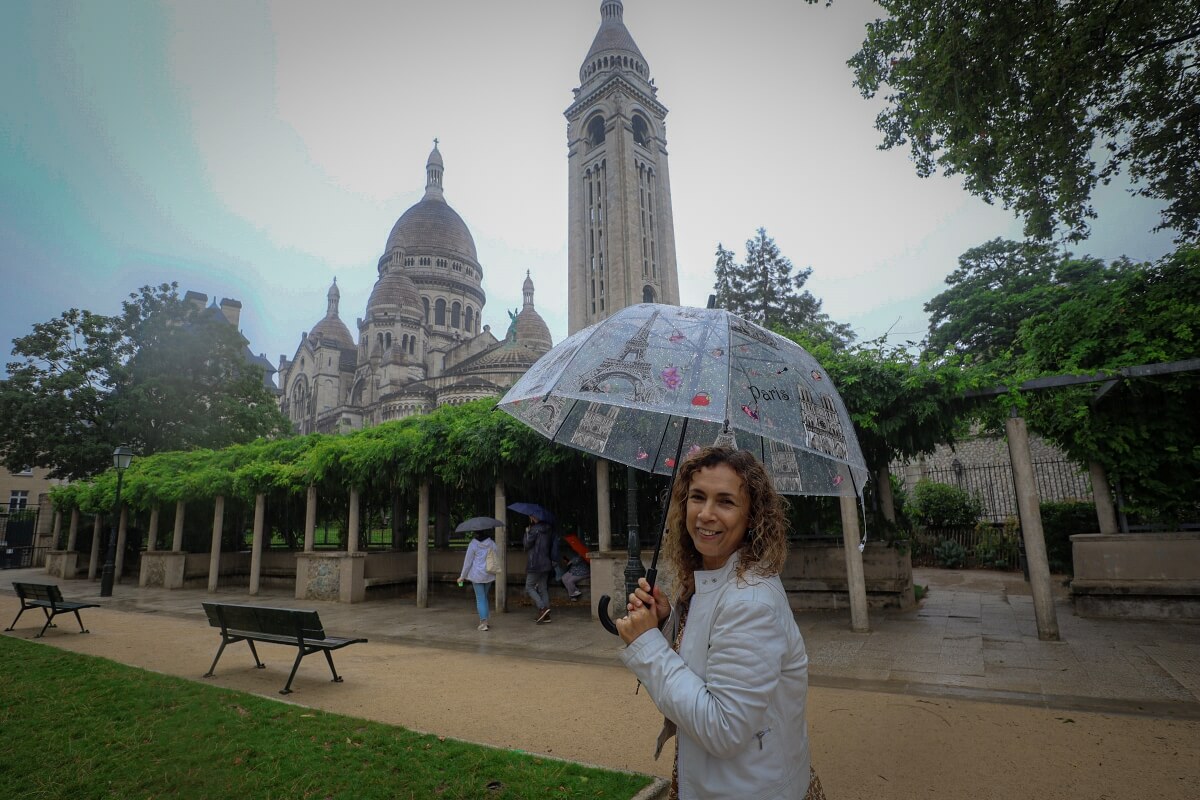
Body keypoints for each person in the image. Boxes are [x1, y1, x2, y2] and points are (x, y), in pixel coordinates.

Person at [615, 447, 824, 800]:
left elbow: (724, 728)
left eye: (725, 501)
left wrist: (647, 644)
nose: (706, 514)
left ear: (752, 516)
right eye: (698, 497)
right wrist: (666, 622)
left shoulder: (750, 602)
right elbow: (707, 660)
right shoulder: (714, 579)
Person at [457, 528, 498, 632]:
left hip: (477, 575)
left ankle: (483, 623)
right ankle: (486, 621)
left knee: (480, 598)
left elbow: (467, 562)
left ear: (475, 532)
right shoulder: (492, 543)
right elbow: (496, 555)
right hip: (489, 574)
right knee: (484, 597)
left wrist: (462, 576)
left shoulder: (473, 544)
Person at [523, 513, 555, 623]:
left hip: (535, 563)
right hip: (546, 562)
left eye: (531, 516)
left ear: (533, 517)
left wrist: (527, 533)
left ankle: (542, 608)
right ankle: (546, 616)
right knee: (543, 588)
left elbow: (526, 544)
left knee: (529, 586)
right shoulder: (548, 529)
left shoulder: (533, 530)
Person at [559, 531, 591, 600]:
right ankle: (575, 592)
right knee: (564, 578)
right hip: (574, 570)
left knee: (570, 581)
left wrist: (570, 561)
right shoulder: (575, 552)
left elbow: (575, 561)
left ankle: (573, 596)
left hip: (582, 572)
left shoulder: (582, 553)